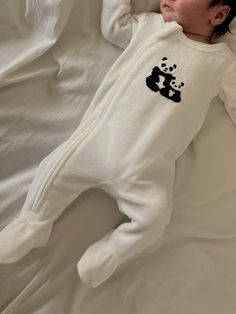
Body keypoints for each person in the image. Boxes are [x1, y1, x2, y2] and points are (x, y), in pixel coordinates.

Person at [0, 0, 236, 288]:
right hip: (98, 144)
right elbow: (114, 25)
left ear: (219, 13)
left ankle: (111, 251)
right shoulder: (150, 28)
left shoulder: (222, 62)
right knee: (55, 169)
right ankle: (33, 223)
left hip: (148, 169)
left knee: (156, 216)